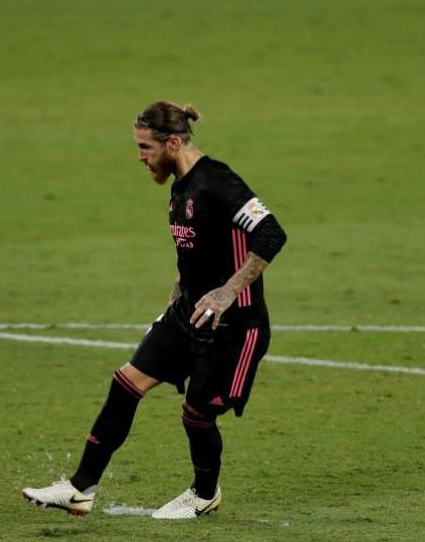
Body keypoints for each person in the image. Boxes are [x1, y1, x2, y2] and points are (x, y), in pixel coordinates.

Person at [22, 101, 287, 519]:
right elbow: (197, 253)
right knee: (126, 382)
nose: (140, 157)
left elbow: (271, 234)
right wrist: (176, 296)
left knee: (196, 414)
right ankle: (80, 489)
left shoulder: (217, 181)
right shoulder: (180, 185)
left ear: (174, 142)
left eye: (146, 147)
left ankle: (204, 495)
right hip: (188, 314)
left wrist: (226, 293)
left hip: (234, 325)